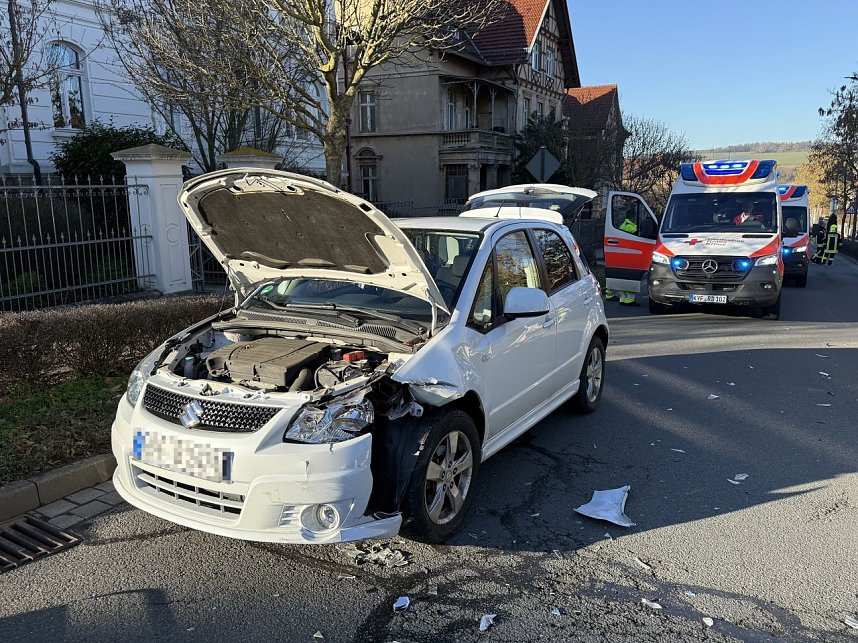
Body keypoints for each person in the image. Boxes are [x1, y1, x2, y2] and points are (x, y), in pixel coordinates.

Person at [604, 209, 640, 306]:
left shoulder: (623, 225)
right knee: (630, 276)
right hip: (630, 254)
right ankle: (629, 300)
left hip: (623, 254)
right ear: (633, 217)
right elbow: (638, 236)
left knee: (623, 276)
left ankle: (623, 299)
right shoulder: (630, 227)